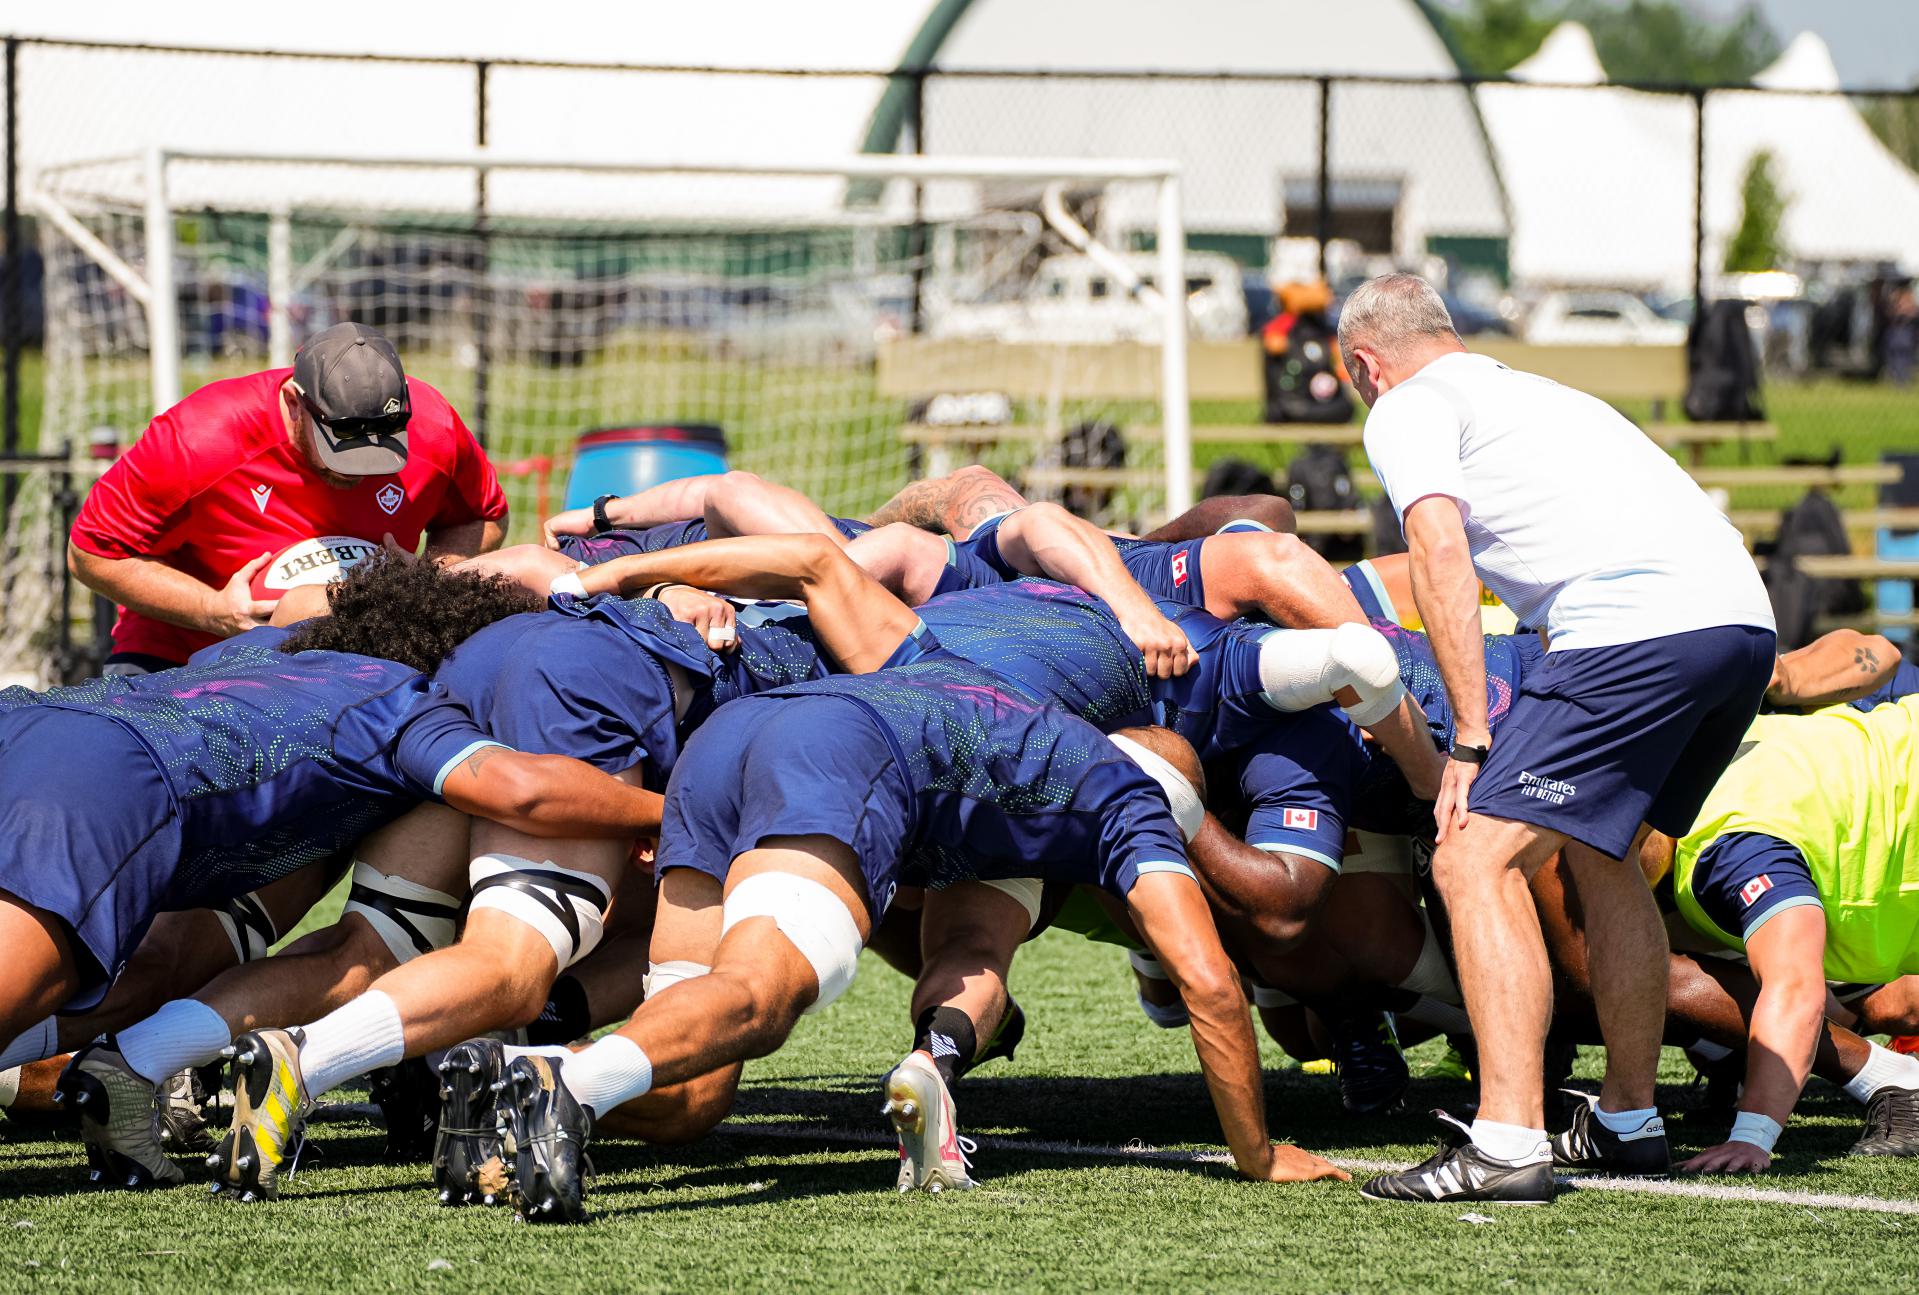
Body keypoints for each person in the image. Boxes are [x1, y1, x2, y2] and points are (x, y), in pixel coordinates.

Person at [463, 659, 1348, 1222]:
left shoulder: (1022, 722)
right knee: (763, 998)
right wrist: (1258, 1155)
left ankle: (522, 1077)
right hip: (838, 750)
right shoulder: (1128, 802)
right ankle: (570, 1088)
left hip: (734, 737)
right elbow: (1209, 983)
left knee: (695, 1095)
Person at [0, 557, 663, 1187]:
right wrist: (663, 813)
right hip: (100, 785)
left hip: (29, 722)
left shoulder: (259, 650)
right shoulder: (400, 701)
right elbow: (518, 789)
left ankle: (106, 1073)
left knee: (114, 972)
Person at [1343, 274, 1776, 1205]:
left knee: (1470, 860)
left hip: (1631, 629)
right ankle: (1626, 1116)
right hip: (1740, 626)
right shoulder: (1535, 392)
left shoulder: (1405, 404)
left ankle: (1505, 1141)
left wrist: (1466, 736)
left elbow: (1438, 556)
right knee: (1599, 849)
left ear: (1364, 365)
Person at [68, 322, 507, 673]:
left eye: (379, 455)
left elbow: (483, 516)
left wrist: (430, 577)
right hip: (183, 653)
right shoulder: (199, 442)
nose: (359, 473)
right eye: (342, 453)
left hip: (358, 661)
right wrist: (211, 610)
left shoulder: (434, 429)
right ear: (295, 405)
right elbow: (92, 554)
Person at [1661, 698, 1919, 1171]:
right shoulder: (1708, 740)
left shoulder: (1731, 846)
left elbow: (1795, 990)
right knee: (1891, 1005)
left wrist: (1753, 1135)